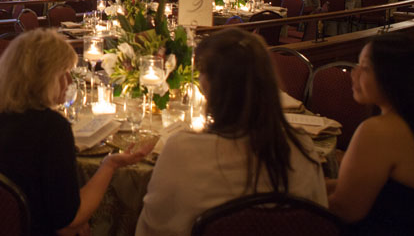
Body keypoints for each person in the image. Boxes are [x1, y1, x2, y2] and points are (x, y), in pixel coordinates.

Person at [137, 27, 326, 236]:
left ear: (209, 88)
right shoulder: (302, 146)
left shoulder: (182, 151)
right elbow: (319, 220)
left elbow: (150, 229)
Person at [0, 29, 153, 235]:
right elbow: (71, 216)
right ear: (43, 78)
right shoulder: (51, 127)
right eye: (63, 73)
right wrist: (109, 165)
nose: (70, 82)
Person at [326, 34, 414, 235]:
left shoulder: (378, 131)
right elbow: (368, 188)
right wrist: (306, 184)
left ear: (392, 78)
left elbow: (345, 210)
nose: (353, 73)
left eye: (364, 67)